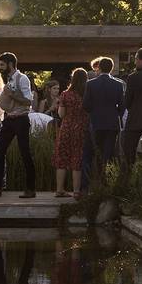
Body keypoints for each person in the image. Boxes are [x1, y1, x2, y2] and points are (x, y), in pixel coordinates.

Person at [0, 52, 36, 198]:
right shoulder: (9, 80)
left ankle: (31, 189)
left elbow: (28, 101)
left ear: (10, 64)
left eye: (1, 65)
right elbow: (6, 106)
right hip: (9, 119)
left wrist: (12, 94)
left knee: (25, 153)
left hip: (21, 119)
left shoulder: (22, 78)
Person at [82, 56, 125, 176]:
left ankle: (98, 177)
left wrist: (94, 110)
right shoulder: (118, 85)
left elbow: (85, 105)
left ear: (99, 67)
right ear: (111, 68)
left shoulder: (90, 84)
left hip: (96, 121)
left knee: (97, 151)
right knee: (110, 152)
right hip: (112, 122)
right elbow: (122, 105)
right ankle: (108, 177)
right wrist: (116, 113)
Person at [54, 68, 89, 199]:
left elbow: (61, 114)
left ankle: (59, 190)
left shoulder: (65, 94)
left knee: (62, 157)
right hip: (81, 128)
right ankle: (76, 191)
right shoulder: (86, 94)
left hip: (66, 128)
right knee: (77, 158)